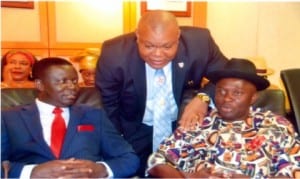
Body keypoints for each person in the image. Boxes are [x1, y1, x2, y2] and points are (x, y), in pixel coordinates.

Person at [95, 10, 228, 176]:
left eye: (167, 46)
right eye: (148, 46)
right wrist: (118, 145)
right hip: (134, 128)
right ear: (137, 36)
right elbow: (109, 105)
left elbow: (226, 75)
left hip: (181, 129)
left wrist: (202, 98)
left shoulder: (199, 43)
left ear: (178, 36)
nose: (157, 55)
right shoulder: (114, 53)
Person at [147, 58, 300, 178]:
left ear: (253, 97)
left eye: (237, 93)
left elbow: (294, 171)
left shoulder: (276, 126)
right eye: (221, 91)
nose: (226, 98)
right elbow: (156, 162)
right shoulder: (197, 122)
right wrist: (189, 177)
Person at [1, 57, 139, 178]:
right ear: (40, 85)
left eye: (74, 81)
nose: (72, 87)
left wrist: (101, 170)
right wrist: (32, 172)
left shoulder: (94, 115)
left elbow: (129, 158)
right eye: (62, 81)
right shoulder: (8, 118)